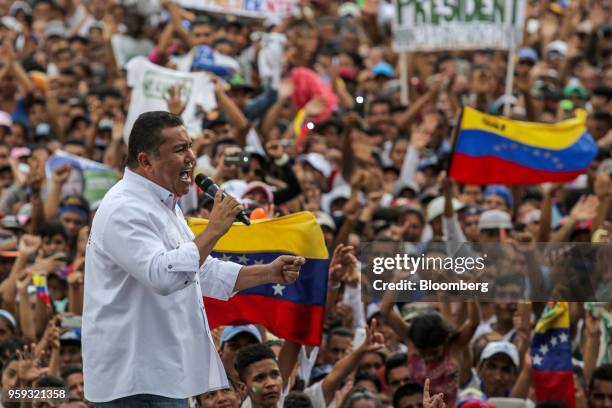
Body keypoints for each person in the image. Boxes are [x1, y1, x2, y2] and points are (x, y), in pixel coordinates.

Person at [82, 111, 305, 406]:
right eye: (179, 149)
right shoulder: (124, 209)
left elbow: (201, 269)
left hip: (165, 373)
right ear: (146, 161)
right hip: (135, 381)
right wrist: (213, 230)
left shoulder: (164, 204)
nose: (191, 157)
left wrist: (268, 273)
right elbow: (163, 276)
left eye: (189, 146)